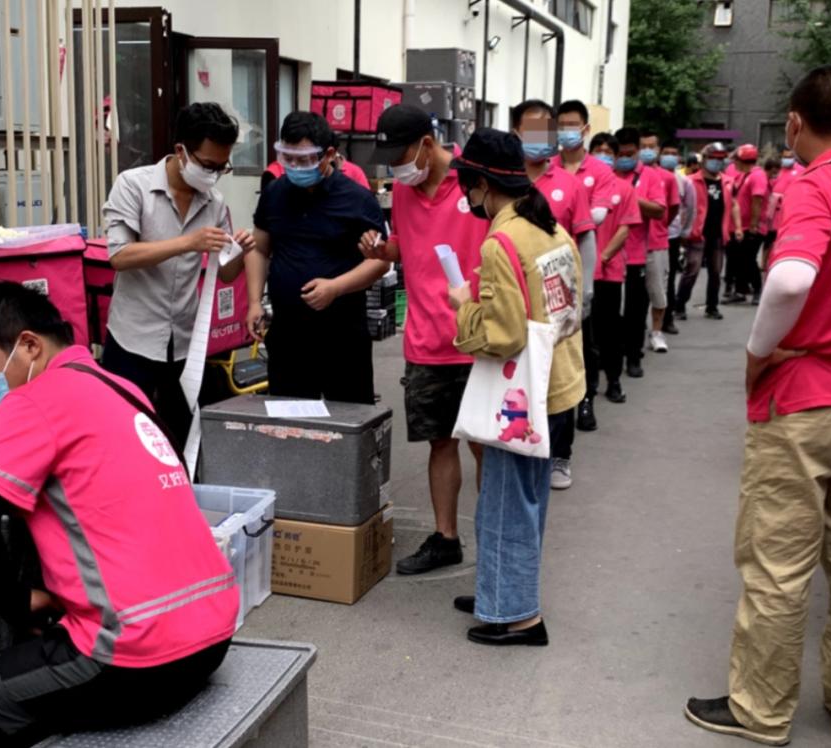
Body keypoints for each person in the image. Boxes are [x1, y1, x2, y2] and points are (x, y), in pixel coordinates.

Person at [686, 65, 831, 747]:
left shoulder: (817, 186)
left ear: (793, 121)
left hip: (806, 399)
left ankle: (761, 709)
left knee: (778, 564)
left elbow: (788, 279)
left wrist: (758, 352)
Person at [0, 282, 238, 745]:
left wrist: (17, 602)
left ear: (28, 345)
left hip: (135, 655)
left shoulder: (33, 399)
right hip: (213, 633)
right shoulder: (125, 389)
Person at [446, 128, 582, 646]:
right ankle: (498, 593)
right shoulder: (551, 229)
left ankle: (519, 615)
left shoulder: (502, 241)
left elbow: (501, 336)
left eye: (467, 186)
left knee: (506, 506)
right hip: (557, 387)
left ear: (481, 184)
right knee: (522, 502)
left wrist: (465, 305)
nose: (466, 196)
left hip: (520, 399)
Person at [358, 105, 486, 575]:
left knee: (483, 444)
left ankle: (491, 539)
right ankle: (445, 538)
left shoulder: (477, 184)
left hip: (477, 339)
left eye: (402, 156)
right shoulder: (406, 192)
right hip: (424, 340)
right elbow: (406, 248)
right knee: (440, 442)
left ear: (428, 145)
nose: (396, 168)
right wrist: (382, 251)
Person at [101, 103, 256, 445]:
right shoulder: (133, 186)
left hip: (186, 342)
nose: (214, 174)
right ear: (181, 151)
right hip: (132, 337)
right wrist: (187, 243)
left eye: (222, 167)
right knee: (124, 436)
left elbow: (227, 274)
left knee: (179, 437)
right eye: (208, 165)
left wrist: (241, 251)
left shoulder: (213, 203)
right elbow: (120, 255)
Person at [246, 112, 389, 404]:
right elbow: (259, 248)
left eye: (305, 159)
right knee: (291, 422)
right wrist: (253, 302)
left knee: (348, 423)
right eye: (289, 158)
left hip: (343, 335)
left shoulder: (357, 199)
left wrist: (335, 287)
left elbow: (380, 261)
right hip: (289, 334)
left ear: (329, 155)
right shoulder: (274, 193)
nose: (296, 167)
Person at [511, 99, 598, 493]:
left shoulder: (569, 184)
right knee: (522, 380)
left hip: (560, 299)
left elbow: (585, 239)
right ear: (516, 133)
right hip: (517, 301)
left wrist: (587, 290)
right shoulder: (507, 181)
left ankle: (560, 455)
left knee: (559, 382)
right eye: (532, 129)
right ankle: (525, 445)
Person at [546, 99, 616, 486]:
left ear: (586, 128)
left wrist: (585, 288)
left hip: (575, 280)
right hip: (536, 285)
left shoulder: (594, 173)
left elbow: (596, 220)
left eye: (574, 125)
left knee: (577, 357)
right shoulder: (543, 170)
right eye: (562, 125)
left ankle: (565, 446)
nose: (567, 131)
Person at [589, 133, 642, 404]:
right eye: (598, 150)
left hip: (609, 272)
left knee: (610, 330)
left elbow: (625, 228)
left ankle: (614, 381)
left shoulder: (623, 189)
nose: (603, 155)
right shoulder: (581, 185)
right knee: (588, 333)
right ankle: (587, 389)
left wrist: (605, 255)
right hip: (581, 272)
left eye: (608, 151)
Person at [613, 127, 666, 379]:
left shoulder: (650, 176)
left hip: (636, 254)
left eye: (629, 153)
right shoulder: (607, 173)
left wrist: (629, 196)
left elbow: (659, 210)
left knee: (635, 310)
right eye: (620, 153)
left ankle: (633, 357)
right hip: (609, 254)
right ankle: (611, 355)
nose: (624, 157)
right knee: (610, 312)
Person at [676, 143, 740, 322]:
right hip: (697, 233)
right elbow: (683, 208)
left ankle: (712, 307)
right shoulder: (691, 181)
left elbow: (733, 204)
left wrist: (738, 227)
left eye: (721, 159)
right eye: (713, 158)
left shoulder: (728, 181)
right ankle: (679, 306)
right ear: (704, 160)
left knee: (716, 272)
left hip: (718, 234)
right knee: (692, 270)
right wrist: (683, 230)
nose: (717, 162)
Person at [639, 131, 680, 350]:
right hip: (633, 243)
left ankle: (656, 332)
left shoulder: (668, 177)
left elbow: (673, 208)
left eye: (651, 146)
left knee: (658, 291)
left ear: (658, 149)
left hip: (657, 242)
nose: (647, 150)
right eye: (643, 145)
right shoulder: (630, 174)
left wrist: (661, 225)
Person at [724, 144, 767, 305]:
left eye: (736, 159)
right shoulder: (744, 175)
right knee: (737, 259)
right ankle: (740, 290)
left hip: (751, 227)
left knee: (748, 260)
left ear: (743, 160)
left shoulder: (757, 176)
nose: (734, 163)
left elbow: (757, 200)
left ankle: (757, 290)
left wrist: (754, 226)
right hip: (740, 226)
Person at [660, 140, 696, 333]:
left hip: (672, 235)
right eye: (667, 152)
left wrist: (685, 231)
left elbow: (690, 208)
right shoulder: (652, 176)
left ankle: (667, 319)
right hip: (649, 236)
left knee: (670, 278)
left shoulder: (684, 182)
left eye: (674, 153)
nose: (670, 156)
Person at [261, 130, 372, 191]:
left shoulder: (354, 172)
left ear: (331, 154)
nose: (295, 165)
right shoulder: (276, 171)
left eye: (304, 159)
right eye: (288, 157)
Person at [763, 147, 803, 268]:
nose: (787, 159)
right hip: (773, 210)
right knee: (769, 238)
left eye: (789, 157)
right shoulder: (778, 170)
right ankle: (764, 263)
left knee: (784, 237)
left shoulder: (801, 170)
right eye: (785, 157)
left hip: (789, 210)